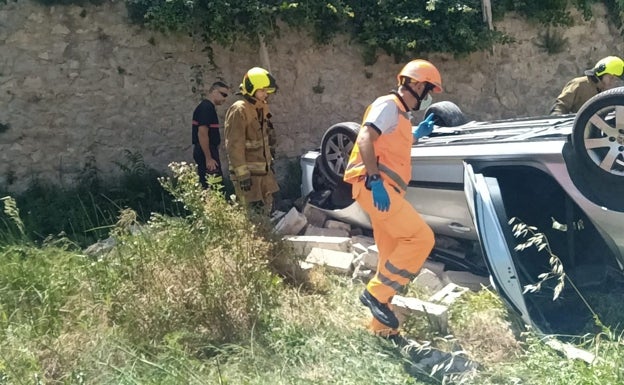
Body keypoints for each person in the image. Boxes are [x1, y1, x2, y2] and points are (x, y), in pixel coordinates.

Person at [343, 59, 441, 337]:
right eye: (429, 90)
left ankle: (382, 329)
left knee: (390, 259)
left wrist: (415, 135)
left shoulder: (400, 116)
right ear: (418, 85)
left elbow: (391, 142)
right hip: (375, 188)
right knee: (422, 238)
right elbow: (365, 138)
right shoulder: (388, 105)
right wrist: (374, 180)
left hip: (384, 192)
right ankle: (375, 294)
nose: (429, 97)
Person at [224, 67, 279, 213]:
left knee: (266, 214)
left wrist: (270, 162)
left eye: (266, 91)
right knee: (250, 216)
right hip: (248, 178)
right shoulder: (239, 109)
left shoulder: (261, 108)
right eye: (262, 91)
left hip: (264, 175)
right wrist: (242, 175)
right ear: (251, 89)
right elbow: (234, 145)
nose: (265, 94)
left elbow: (266, 138)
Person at [550, 56, 624, 115]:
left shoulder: (608, 92)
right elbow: (560, 106)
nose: (613, 82)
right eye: (611, 78)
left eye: (615, 79)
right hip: (577, 129)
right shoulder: (579, 84)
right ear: (601, 73)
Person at [192, 81, 230, 189]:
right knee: (214, 185)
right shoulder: (206, 108)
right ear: (214, 92)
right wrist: (209, 158)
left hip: (207, 150)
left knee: (212, 184)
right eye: (223, 94)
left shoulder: (207, 107)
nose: (224, 98)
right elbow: (202, 133)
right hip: (206, 151)